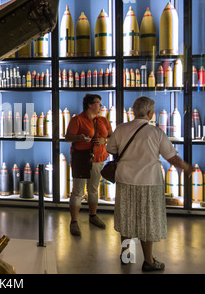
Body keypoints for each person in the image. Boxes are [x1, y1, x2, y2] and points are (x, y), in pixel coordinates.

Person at [106, 96, 194, 272]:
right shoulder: (156, 132)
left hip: (125, 180)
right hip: (149, 182)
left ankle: (126, 255)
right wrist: (186, 167)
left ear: (133, 110)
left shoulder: (121, 128)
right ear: (150, 113)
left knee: (126, 219)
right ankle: (148, 261)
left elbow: (111, 149)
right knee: (148, 221)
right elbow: (172, 157)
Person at [65, 94, 113, 236]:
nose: (100, 106)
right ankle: (74, 222)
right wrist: (79, 137)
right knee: (78, 191)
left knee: (93, 188)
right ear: (90, 105)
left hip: (98, 158)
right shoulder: (77, 120)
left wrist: (104, 140)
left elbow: (112, 137)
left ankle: (93, 215)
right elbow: (68, 137)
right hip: (81, 158)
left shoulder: (103, 120)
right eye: (98, 103)